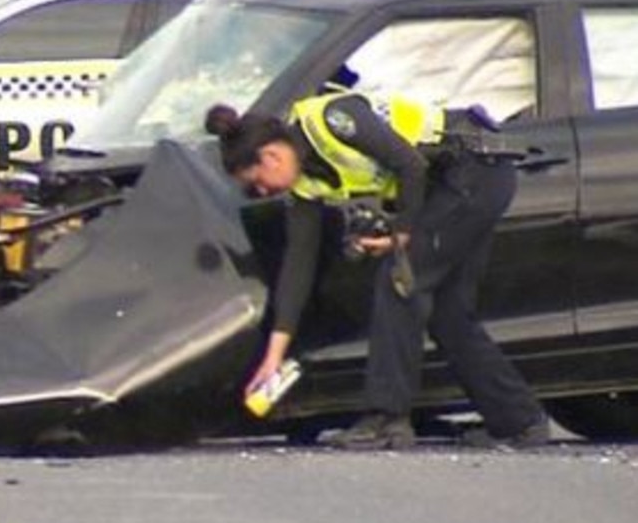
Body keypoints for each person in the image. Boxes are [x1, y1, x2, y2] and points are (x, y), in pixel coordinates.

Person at [206, 90, 550, 449]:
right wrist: (274, 355)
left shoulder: (333, 120)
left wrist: (401, 234)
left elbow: (410, 165)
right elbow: (298, 266)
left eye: (256, 182)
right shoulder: (306, 183)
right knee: (448, 313)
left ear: (271, 156)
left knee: (398, 281)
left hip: (474, 172)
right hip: (451, 188)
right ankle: (520, 422)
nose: (261, 191)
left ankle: (387, 419)